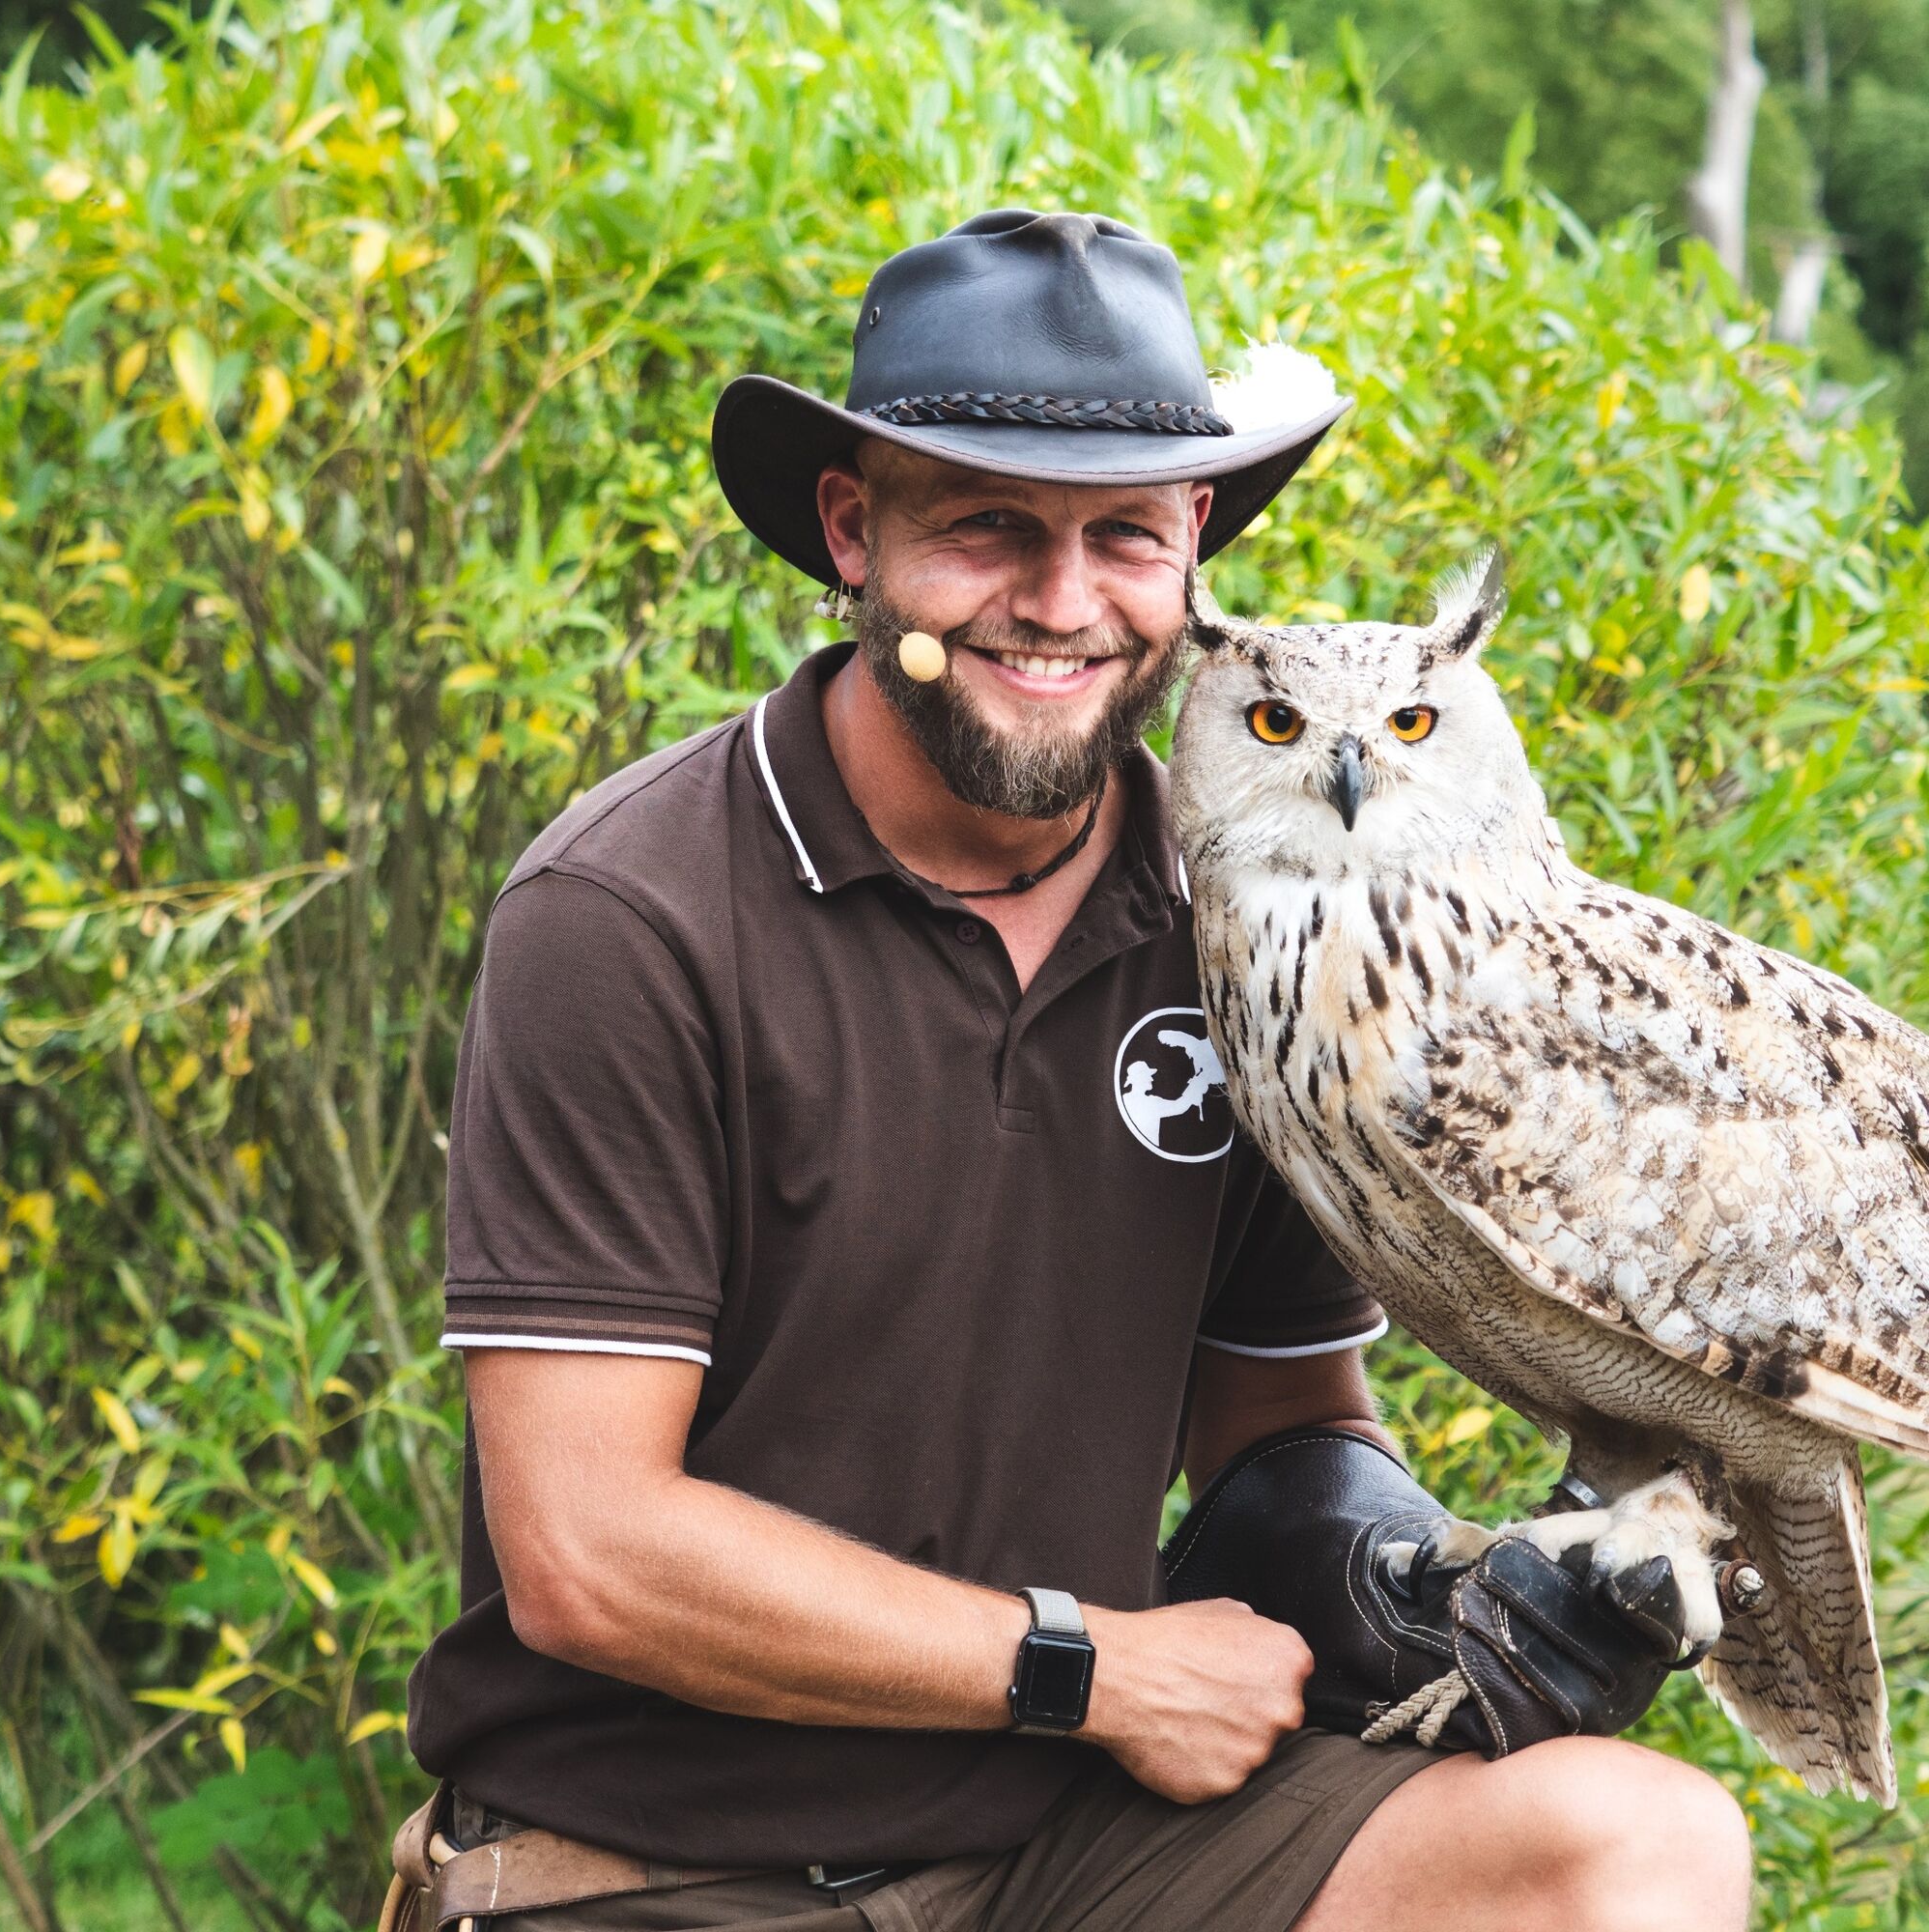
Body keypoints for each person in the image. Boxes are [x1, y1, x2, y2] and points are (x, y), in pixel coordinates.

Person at [397, 210, 1752, 1931]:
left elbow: (1277, 1424)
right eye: (986, 526)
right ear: (852, 532)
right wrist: (1088, 1671)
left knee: (1633, 1852)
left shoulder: (1243, 931)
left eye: (1125, 536)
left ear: (1193, 554)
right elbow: (589, 1556)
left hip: (1078, 1852)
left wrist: (1440, 1589)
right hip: (660, 1866)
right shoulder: (632, 915)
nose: (1060, 604)